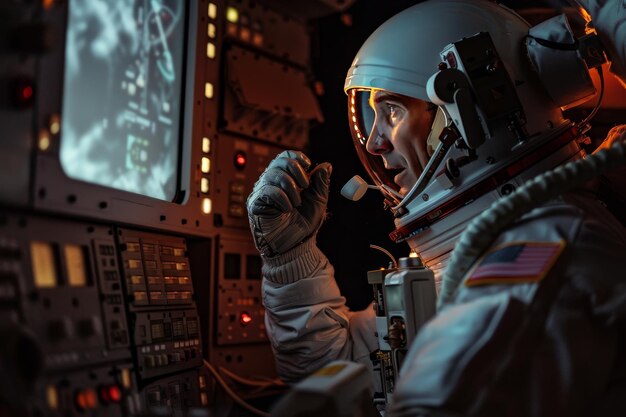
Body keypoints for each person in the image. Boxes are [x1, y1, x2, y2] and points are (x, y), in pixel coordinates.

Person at [247, 0, 626, 415]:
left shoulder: (546, 244)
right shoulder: (490, 244)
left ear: (463, 116)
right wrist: (290, 260)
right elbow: (342, 368)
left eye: (390, 111)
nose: (374, 142)